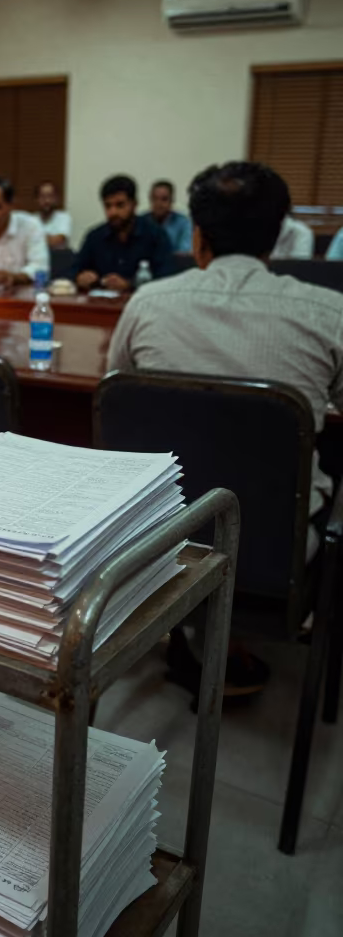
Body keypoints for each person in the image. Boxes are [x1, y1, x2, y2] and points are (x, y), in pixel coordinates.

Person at [107, 161, 343, 696]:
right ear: (277, 235)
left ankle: (191, 631)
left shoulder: (148, 304)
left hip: (154, 540)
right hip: (276, 553)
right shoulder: (330, 313)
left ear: (197, 236)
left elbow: (117, 394)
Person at [74, 175, 173, 292]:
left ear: (134, 204)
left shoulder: (155, 235)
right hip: (100, 305)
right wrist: (79, 278)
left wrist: (129, 285)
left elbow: (167, 279)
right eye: (108, 206)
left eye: (120, 205)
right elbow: (72, 270)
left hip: (142, 305)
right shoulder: (95, 236)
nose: (113, 212)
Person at [143, 180, 192, 253]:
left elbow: (184, 254)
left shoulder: (183, 223)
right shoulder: (141, 221)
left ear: (172, 200)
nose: (159, 204)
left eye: (164, 199)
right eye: (155, 199)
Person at [34, 181, 72, 248]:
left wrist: (35, 238)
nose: (47, 201)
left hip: (58, 257)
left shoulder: (63, 217)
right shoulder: (31, 220)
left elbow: (58, 241)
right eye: (43, 196)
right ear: (37, 199)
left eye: (50, 196)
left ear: (56, 199)